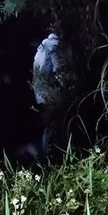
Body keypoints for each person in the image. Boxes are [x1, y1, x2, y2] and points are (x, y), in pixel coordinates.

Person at [32, 20, 67, 155]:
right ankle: (52, 155)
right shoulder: (55, 46)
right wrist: (65, 89)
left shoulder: (42, 46)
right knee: (54, 125)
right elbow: (59, 71)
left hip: (41, 94)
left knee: (48, 125)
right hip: (52, 93)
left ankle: (47, 155)